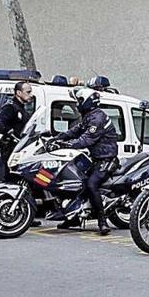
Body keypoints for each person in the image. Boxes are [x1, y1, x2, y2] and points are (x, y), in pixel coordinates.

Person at [49, 88, 118, 235]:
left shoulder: (97, 119)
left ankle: (102, 221)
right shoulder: (89, 117)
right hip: (95, 159)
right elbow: (75, 131)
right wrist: (56, 138)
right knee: (76, 182)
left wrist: (67, 144)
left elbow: (86, 139)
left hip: (107, 159)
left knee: (92, 185)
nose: (77, 104)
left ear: (87, 101)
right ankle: (74, 217)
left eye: (79, 101)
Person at [0, 81, 37, 225]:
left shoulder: (22, 108)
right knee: (12, 180)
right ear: (18, 93)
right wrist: (10, 134)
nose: (31, 95)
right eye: (28, 92)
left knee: (24, 181)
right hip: (10, 149)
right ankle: (4, 212)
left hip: (20, 150)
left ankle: (27, 214)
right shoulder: (10, 107)